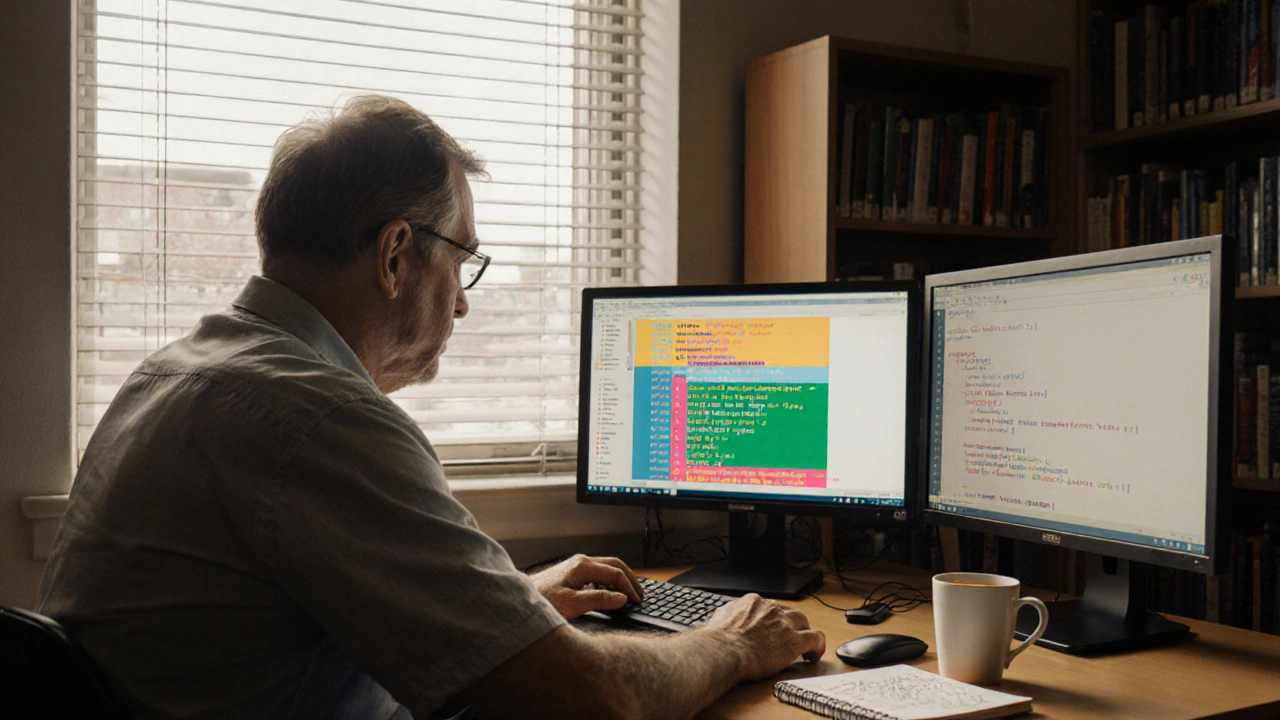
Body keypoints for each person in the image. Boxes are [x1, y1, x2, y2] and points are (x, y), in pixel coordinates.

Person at [38, 94, 825, 720]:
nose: (462, 305)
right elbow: (596, 700)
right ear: (393, 255)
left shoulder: (176, 373)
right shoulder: (315, 418)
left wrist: (512, 606)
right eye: (463, 258)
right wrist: (733, 643)